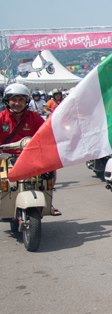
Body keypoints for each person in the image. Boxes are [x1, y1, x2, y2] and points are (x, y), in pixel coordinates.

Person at [1, 83, 61, 215]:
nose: (17, 103)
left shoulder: (34, 117)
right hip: (5, 157)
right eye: (14, 100)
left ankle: (48, 201)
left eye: (21, 100)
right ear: (7, 101)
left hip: (29, 156)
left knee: (50, 170)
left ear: (26, 101)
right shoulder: (1, 118)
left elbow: (47, 133)